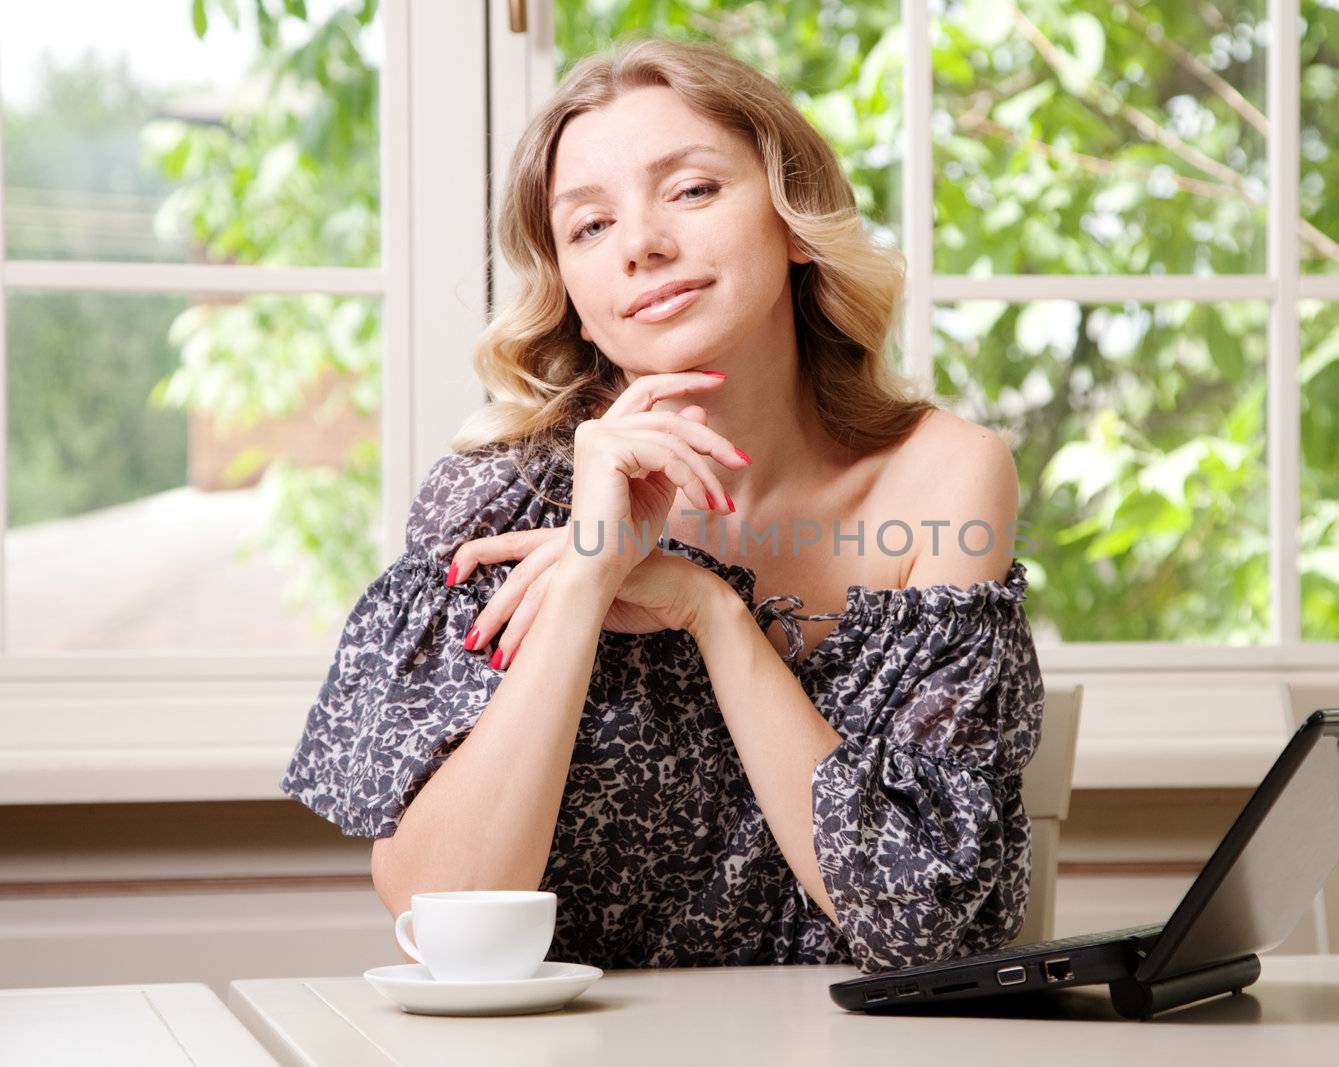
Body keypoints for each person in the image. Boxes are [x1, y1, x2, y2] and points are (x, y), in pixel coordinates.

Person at [279, 33, 1046, 975]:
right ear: (570, 289)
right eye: (589, 227)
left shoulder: (942, 478)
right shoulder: (498, 495)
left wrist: (711, 612)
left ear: (792, 216)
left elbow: (928, 926)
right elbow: (446, 911)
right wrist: (590, 579)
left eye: (690, 189)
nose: (641, 244)